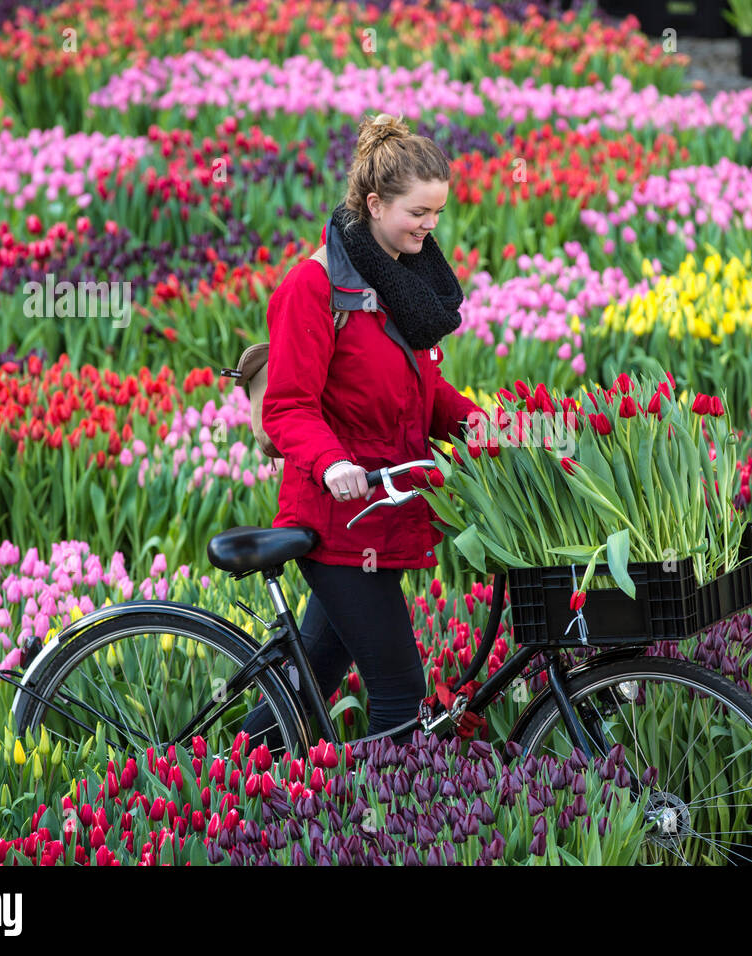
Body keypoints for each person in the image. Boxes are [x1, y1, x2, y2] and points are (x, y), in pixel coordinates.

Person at [240, 112, 484, 750]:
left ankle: (225, 780)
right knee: (401, 695)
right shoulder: (313, 287)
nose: (430, 228)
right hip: (335, 518)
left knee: (307, 682)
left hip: (386, 511)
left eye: (437, 214)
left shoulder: (403, 284)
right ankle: (385, 830)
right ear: (374, 204)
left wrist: (483, 427)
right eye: (418, 213)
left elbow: (423, 396)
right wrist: (331, 464)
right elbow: (288, 407)